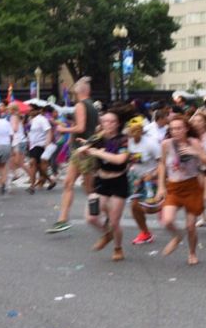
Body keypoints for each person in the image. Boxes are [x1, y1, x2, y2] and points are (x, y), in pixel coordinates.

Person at [154, 115, 206, 265]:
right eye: (172, 129)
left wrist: (195, 152)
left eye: (179, 128)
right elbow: (162, 165)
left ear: (186, 129)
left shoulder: (194, 142)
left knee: (191, 226)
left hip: (192, 186)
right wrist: (160, 186)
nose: (175, 131)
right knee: (167, 220)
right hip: (174, 186)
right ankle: (177, 236)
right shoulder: (166, 144)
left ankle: (192, 252)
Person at [47, 77, 99, 234]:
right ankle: (62, 220)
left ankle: (102, 214)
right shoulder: (92, 106)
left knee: (89, 187)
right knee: (70, 184)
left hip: (82, 150)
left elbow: (81, 127)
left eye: (75, 88)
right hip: (82, 149)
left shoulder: (81, 105)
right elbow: (93, 128)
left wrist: (64, 130)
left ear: (79, 90)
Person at [81, 110, 130, 261]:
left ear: (117, 124)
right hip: (101, 181)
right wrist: (84, 150)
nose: (108, 124)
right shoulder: (97, 138)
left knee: (114, 221)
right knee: (91, 217)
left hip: (118, 182)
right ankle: (107, 234)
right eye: (105, 121)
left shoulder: (123, 140)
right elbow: (83, 154)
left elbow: (120, 160)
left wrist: (97, 152)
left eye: (112, 122)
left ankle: (118, 247)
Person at [127, 117, 161, 245]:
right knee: (134, 206)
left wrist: (153, 175)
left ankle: (168, 204)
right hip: (137, 178)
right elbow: (130, 158)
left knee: (149, 209)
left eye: (136, 130)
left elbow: (162, 163)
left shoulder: (151, 144)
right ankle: (145, 233)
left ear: (141, 131)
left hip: (152, 178)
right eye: (131, 131)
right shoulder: (129, 142)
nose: (133, 133)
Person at [26, 105, 56, 194]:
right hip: (32, 145)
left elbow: (49, 130)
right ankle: (50, 181)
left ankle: (32, 186)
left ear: (38, 110)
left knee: (33, 163)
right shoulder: (31, 120)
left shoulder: (42, 119)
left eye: (32, 110)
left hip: (40, 145)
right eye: (30, 110)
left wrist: (47, 143)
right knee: (38, 167)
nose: (30, 112)